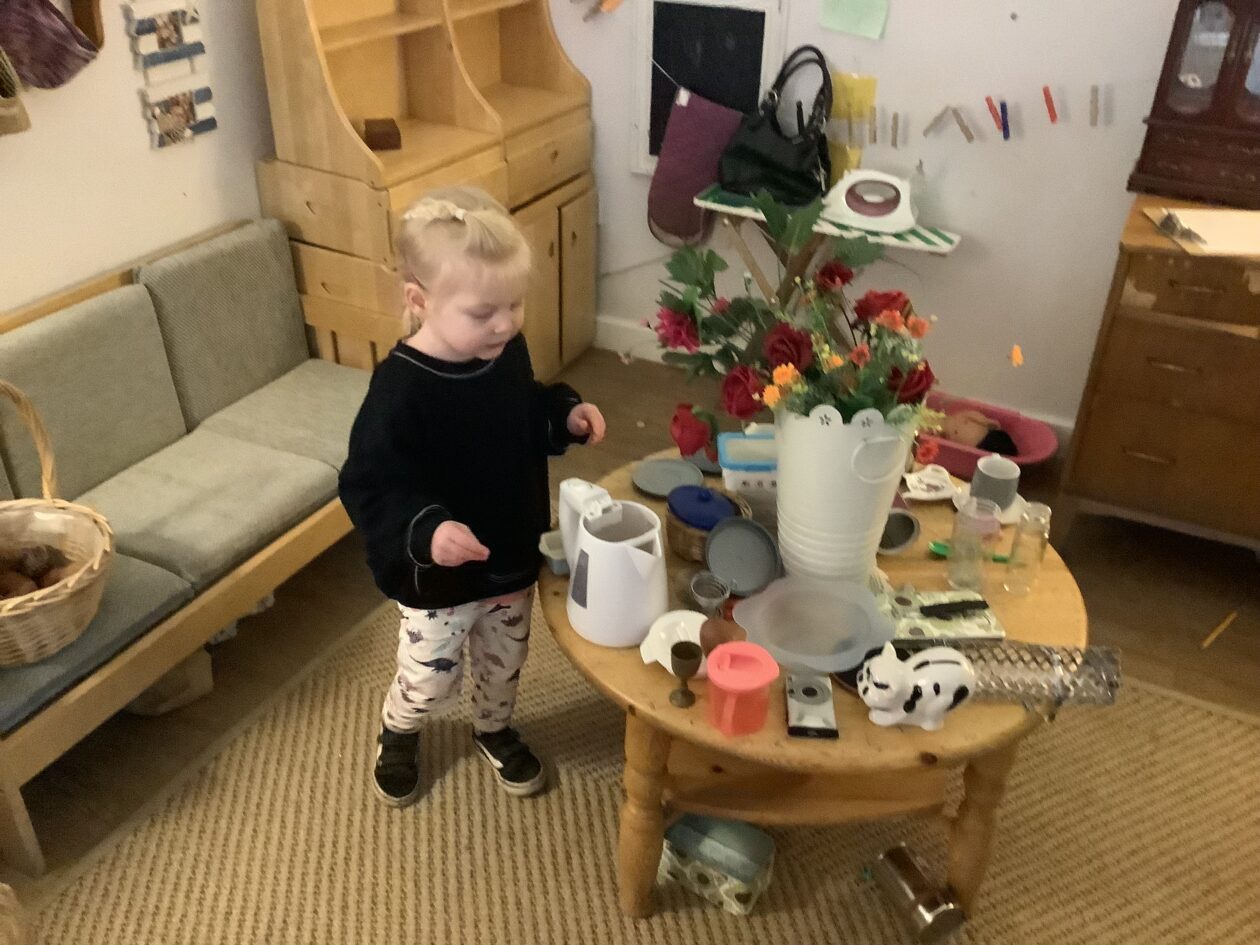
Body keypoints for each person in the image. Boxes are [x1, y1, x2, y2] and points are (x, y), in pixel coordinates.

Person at [338, 186, 606, 807]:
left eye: (514, 304)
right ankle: (400, 728)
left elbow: (522, 410)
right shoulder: (401, 388)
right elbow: (369, 482)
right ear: (419, 301)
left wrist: (561, 416)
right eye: (483, 312)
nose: (505, 324)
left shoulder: (503, 350)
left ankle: (494, 727)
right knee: (429, 677)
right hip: (437, 578)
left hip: (508, 553)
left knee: (504, 662)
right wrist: (427, 532)